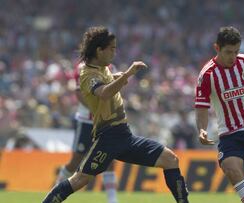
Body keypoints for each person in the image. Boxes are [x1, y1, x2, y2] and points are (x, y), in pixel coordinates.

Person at [42, 26, 189, 203]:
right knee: (79, 179)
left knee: (170, 159)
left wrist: (118, 76)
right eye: (111, 48)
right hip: (107, 138)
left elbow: (107, 79)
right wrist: (128, 74)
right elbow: (103, 93)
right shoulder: (88, 73)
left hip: (124, 136)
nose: (114, 52)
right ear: (99, 50)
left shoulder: (102, 68)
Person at [194, 26, 244, 203]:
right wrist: (201, 129)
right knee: (231, 168)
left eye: (236, 51)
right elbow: (201, 106)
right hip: (229, 133)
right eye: (228, 52)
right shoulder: (207, 75)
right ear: (217, 48)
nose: (233, 57)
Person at [55, 62, 118, 203]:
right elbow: (79, 93)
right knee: (76, 160)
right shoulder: (82, 67)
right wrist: (97, 109)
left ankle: (112, 199)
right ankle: (56, 190)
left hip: (104, 122)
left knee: (109, 160)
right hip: (86, 122)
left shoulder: (110, 67)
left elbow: (114, 91)